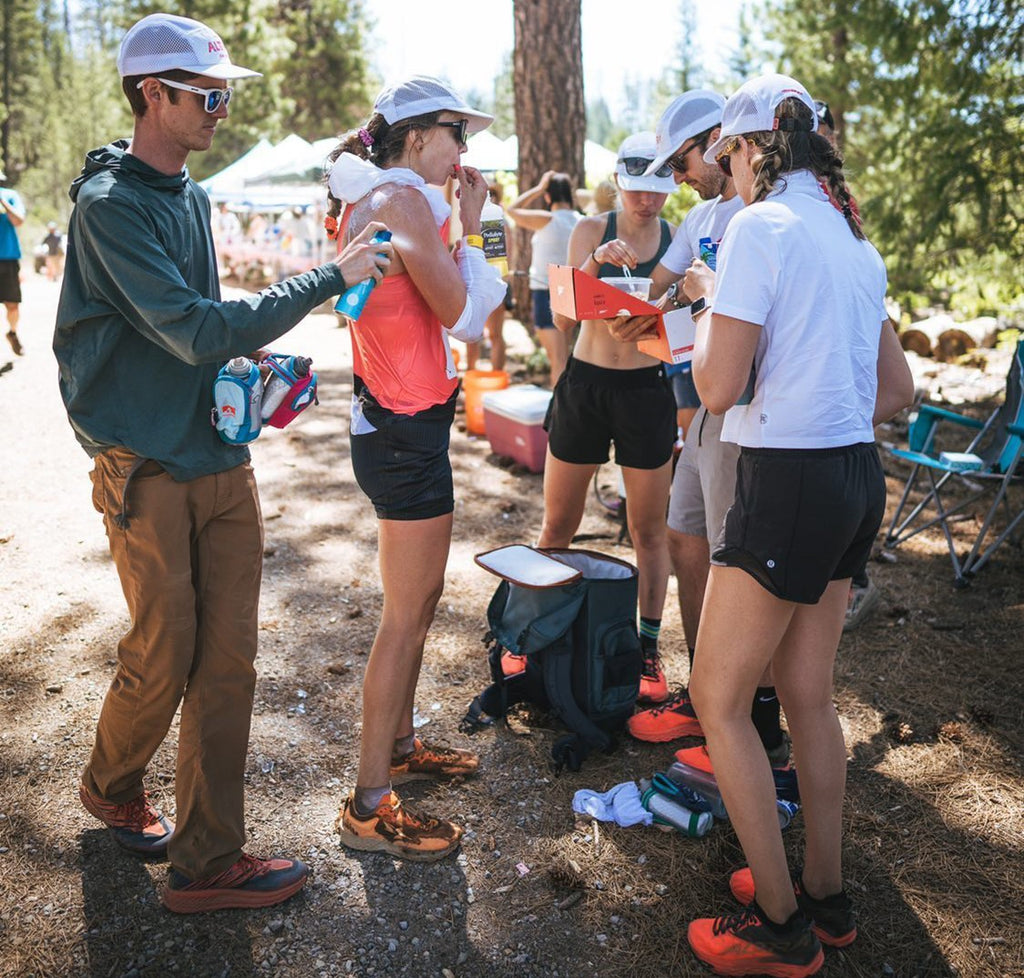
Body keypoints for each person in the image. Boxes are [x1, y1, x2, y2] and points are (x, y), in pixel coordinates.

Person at [54, 13, 392, 914]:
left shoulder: (191, 194)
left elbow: (204, 332)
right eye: (207, 95)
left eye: (226, 93)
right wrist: (330, 276)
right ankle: (110, 781)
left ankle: (208, 863)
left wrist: (243, 371)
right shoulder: (110, 209)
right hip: (147, 468)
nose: (222, 107)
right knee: (165, 654)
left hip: (219, 458)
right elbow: (195, 327)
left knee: (228, 662)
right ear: (151, 96)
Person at [679, 74, 914, 975]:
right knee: (807, 695)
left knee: (719, 698)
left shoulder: (758, 228)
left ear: (750, 149)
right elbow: (898, 392)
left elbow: (714, 387)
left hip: (792, 480)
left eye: (726, 155)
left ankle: (780, 928)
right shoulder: (855, 239)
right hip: (857, 474)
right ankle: (825, 893)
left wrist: (706, 300)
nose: (725, 172)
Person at [325, 75, 506, 862]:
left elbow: (437, 300)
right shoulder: (401, 199)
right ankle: (370, 805)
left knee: (421, 599)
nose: (465, 150)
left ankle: (399, 746)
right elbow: (467, 313)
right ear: (418, 136)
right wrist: (483, 224)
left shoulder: (389, 197)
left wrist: (462, 230)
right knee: (406, 615)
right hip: (402, 430)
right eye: (457, 134)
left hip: (397, 422)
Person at [625, 92, 786, 765]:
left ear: (720, 141)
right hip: (704, 404)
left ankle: (748, 715)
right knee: (686, 539)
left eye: (685, 160)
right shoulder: (704, 214)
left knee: (734, 560)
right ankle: (704, 694)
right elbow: (659, 286)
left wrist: (697, 295)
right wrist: (628, 303)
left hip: (747, 406)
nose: (680, 176)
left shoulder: (764, 211)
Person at [539, 132, 678, 705]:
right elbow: (561, 316)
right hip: (587, 384)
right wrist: (596, 261)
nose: (647, 200)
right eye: (638, 187)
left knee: (649, 531)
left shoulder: (677, 240)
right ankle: (538, 630)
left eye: (659, 189)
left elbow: (685, 326)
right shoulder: (589, 230)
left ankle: (646, 651)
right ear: (620, 182)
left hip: (646, 389)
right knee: (558, 526)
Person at [507, 170, 580, 386]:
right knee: (563, 358)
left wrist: (538, 189)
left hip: (546, 292)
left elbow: (511, 209)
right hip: (571, 292)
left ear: (548, 197)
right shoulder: (582, 221)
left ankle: (559, 412)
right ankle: (564, 409)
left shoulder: (547, 219)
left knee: (557, 361)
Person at [465, 181, 509, 372]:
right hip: (495, 279)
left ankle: (478, 374)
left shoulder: (476, 220)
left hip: (483, 280)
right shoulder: (499, 220)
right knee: (492, 335)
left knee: (477, 334)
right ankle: (481, 375)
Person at [0, 169, 26, 355]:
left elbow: (18, 220)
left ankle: (12, 333)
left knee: (12, 304)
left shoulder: (10, 196)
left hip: (8, 258)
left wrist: (2, 203)